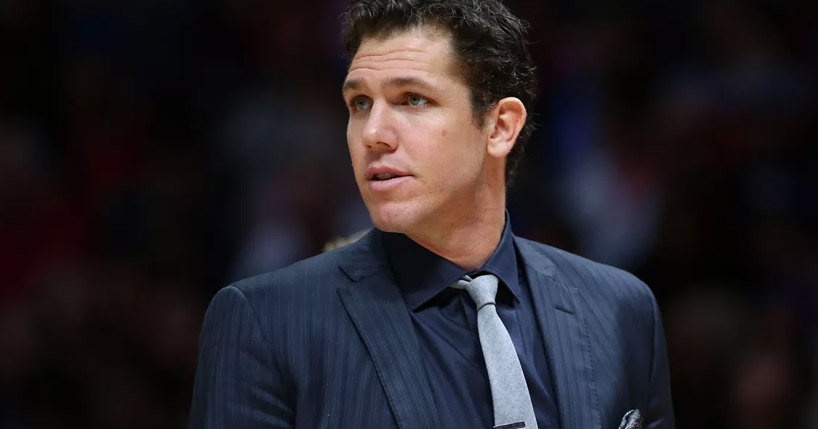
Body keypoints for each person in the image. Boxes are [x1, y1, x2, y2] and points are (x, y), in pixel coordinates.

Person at [188, 0, 675, 428]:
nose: (372, 133)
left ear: (500, 127)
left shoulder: (620, 309)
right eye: (360, 103)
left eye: (413, 99)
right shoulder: (266, 322)